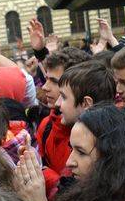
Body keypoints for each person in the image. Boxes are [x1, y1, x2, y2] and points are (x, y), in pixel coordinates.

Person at [35, 48, 92, 181]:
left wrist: (47, 177)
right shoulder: (46, 126)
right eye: (46, 79)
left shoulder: (98, 136)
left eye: (55, 81)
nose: (45, 87)